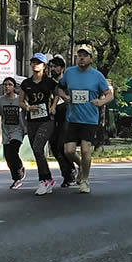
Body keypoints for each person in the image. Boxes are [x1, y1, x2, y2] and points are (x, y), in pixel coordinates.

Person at [56, 44, 113, 194]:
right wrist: (64, 96)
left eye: (84, 55)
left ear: (90, 59)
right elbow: (59, 88)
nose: (81, 58)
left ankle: (85, 181)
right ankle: (82, 165)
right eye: (79, 55)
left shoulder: (97, 76)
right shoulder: (69, 73)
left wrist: (100, 102)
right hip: (73, 117)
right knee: (68, 151)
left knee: (86, 149)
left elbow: (109, 94)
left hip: (89, 119)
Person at [19, 53, 58, 196]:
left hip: (47, 121)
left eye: (38, 62)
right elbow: (21, 102)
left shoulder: (50, 82)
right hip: (32, 120)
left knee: (37, 147)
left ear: (44, 66)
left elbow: (58, 93)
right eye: (33, 62)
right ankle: (48, 178)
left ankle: (44, 181)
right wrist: (28, 108)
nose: (35, 64)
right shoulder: (26, 84)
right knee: (37, 151)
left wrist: (53, 105)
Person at [0, 77, 26, 190]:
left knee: (13, 151)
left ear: (14, 87)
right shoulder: (0, 101)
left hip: (18, 130)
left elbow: (27, 110)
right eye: (5, 84)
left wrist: (27, 127)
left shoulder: (20, 100)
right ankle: (16, 178)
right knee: (8, 156)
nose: (7, 87)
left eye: (10, 84)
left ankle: (19, 173)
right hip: (6, 131)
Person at [48, 56, 77, 187]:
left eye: (55, 66)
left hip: (68, 118)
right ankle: (67, 172)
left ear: (62, 68)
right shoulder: (49, 84)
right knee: (54, 146)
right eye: (51, 66)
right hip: (54, 119)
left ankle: (70, 172)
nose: (53, 69)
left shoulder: (70, 83)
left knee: (62, 146)